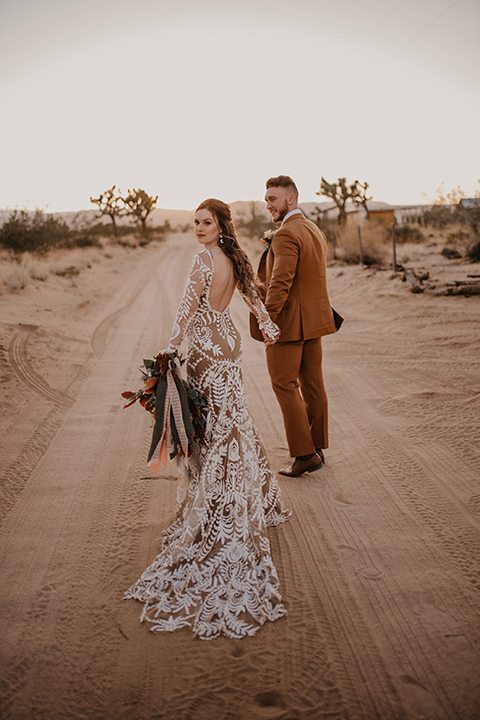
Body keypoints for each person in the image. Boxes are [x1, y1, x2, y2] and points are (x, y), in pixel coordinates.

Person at [125, 198, 290, 640]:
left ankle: (215, 499)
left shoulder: (202, 260)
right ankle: (248, 492)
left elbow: (185, 309)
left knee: (210, 428)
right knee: (232, 420)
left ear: (220, 226)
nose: (198, 229)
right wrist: (269, 327)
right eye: (195, 222)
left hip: (202, 348)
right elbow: (253, 296)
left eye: (206, 222)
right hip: (230, 346)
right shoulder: (236, 257)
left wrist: (171, 350)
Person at [250, 176, 339, 477]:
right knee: (313, 384)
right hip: (315, 321)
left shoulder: (287, 233)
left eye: (272, 199)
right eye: (266, 199)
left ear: (290, 199)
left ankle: (304, 454)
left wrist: (268, 320)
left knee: (284, 384)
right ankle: (317, 446)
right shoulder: (313, 229)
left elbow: (280, 283)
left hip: (289, 325)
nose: (268, 204)